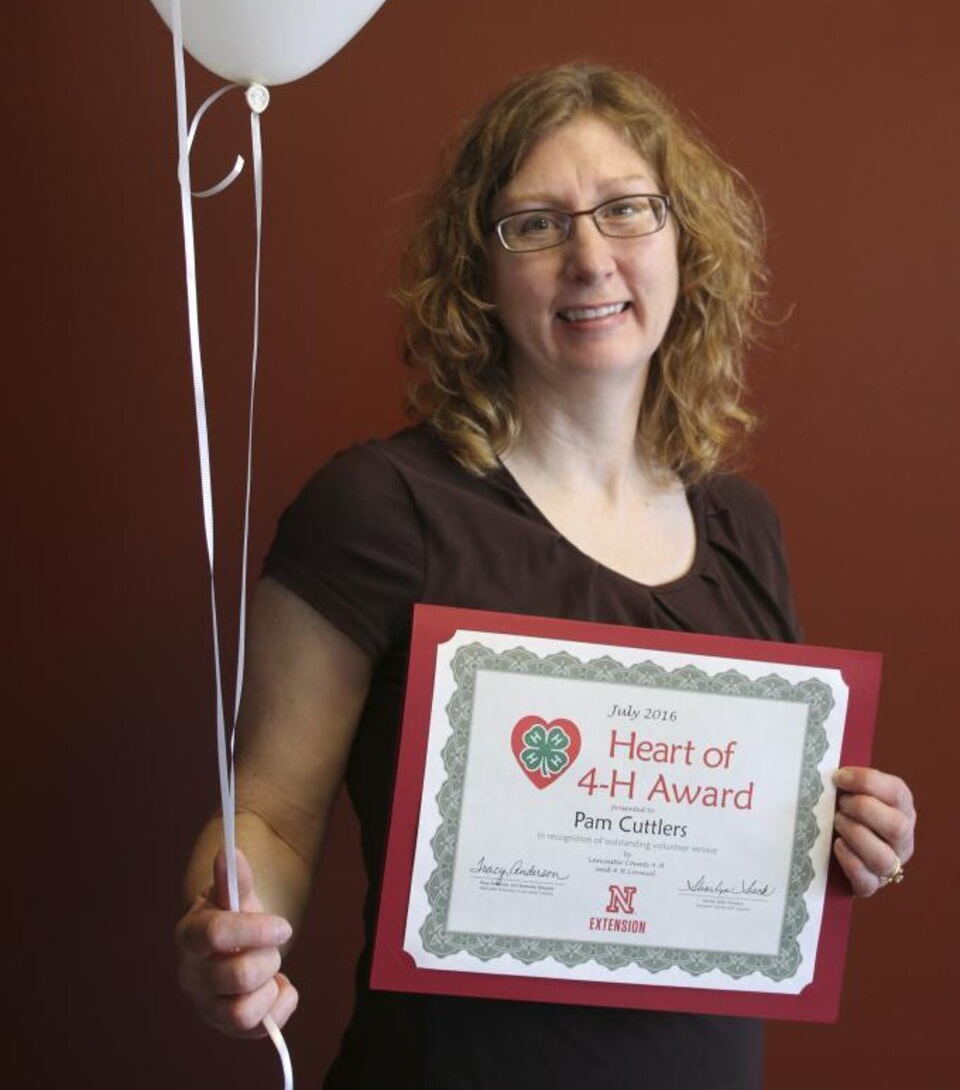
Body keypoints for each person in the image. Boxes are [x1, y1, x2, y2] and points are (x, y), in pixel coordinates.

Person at [175, 65, 916, 1088]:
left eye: (626, 209)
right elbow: (269, 814)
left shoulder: (745, 528)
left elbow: (754, 834)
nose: (590, 257)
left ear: (682, 244)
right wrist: (233, 918)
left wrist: (850, 830)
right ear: (477, 271)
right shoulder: (378, 507)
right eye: (535, 222)